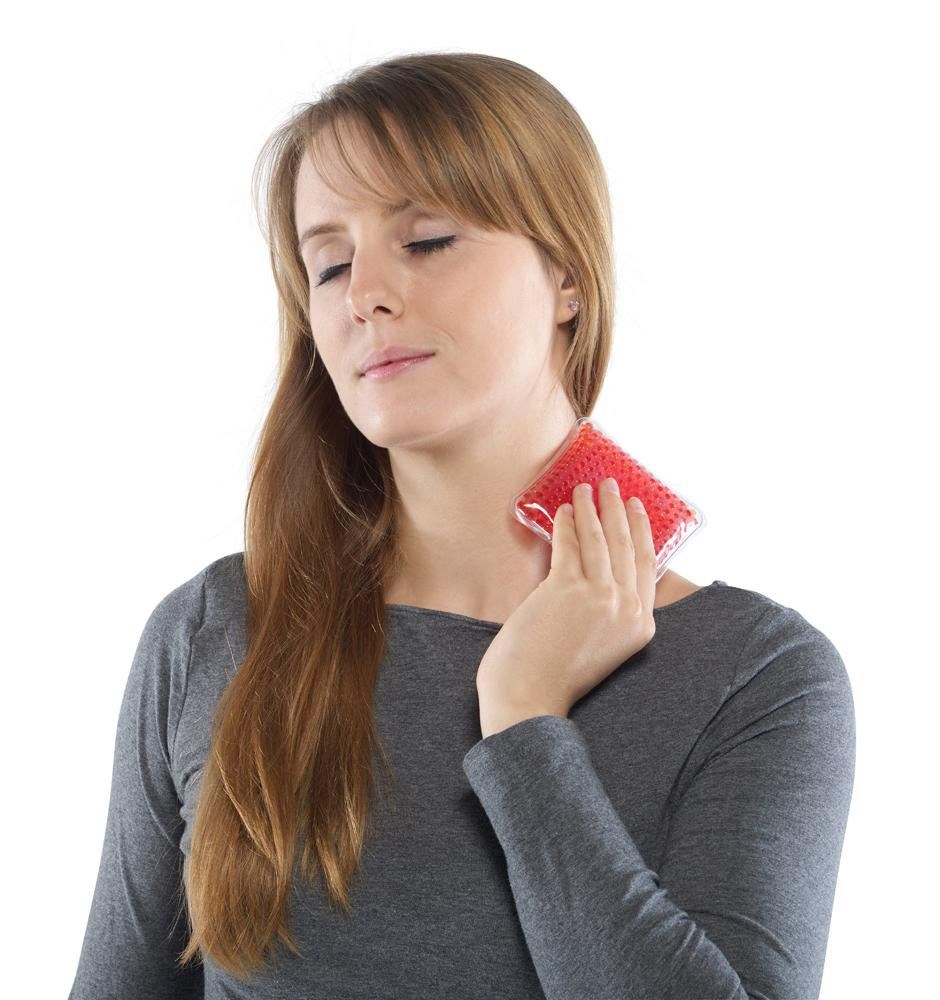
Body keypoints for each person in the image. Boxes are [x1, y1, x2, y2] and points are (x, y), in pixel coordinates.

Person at [69, 52, 855, 999]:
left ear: (568, 277)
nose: (364, 293)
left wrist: (524, 716)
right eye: (330, 263)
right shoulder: (213, 631)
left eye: (428, 240)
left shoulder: (757, 674)